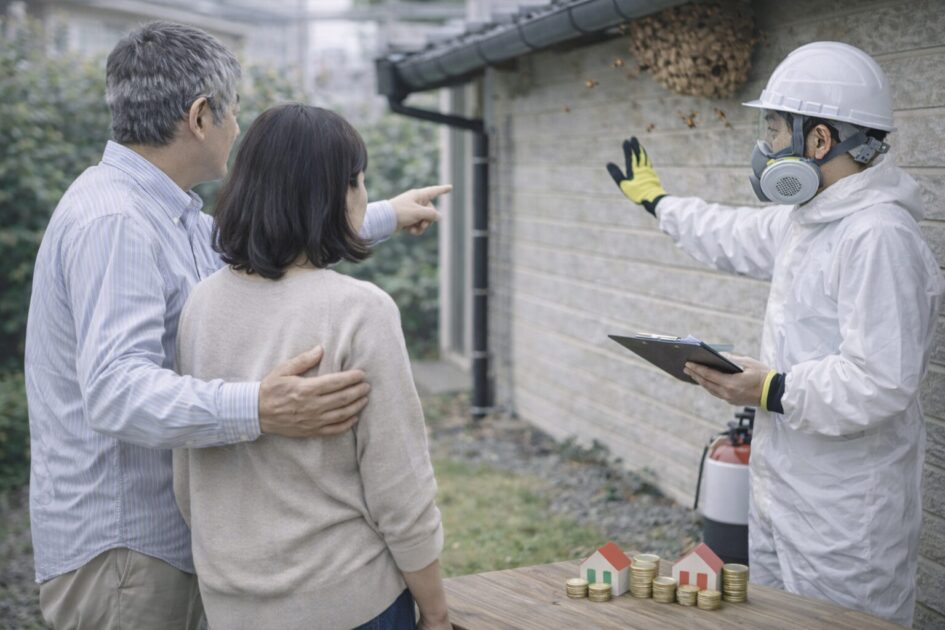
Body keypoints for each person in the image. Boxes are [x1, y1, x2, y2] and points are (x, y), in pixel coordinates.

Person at [25, 21, 450, 629]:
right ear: (201, 116)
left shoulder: (163, 212)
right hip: (125, 553)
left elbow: (260, 243)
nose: (237, 131)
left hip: (182, 555)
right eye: (234, 113)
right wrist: (260, 407)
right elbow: (115, 391)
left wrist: (375, 212)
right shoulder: (115, 222)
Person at [605, 41, 944, 626]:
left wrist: (770, 389)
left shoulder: (878, 237)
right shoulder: (811, 220)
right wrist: (660, 203)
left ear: (819, 140)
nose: (765, 146)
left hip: (845, 516)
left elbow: (882, 381)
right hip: (784, 492)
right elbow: (732, 232)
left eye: (775, 127)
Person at [173, 103, 449, 630]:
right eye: (360, 182)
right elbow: (400, 486)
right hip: (349, 601)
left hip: (232, 604)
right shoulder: (359, 311)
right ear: (339, 194)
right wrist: (435, 610)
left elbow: (189, 478)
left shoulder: (201, 305)